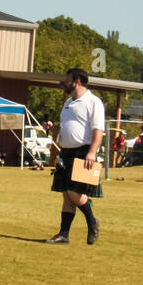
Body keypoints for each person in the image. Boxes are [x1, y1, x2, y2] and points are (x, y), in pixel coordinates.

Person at [46, 68, 104, 245]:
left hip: (83, 152)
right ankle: (64, 235)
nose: (65, 83)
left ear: (77, 81)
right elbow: (65, 129)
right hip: (66, 152)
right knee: (66, 193)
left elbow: (98, 131)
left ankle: (92, 221)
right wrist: (53, 128)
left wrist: (92, 152)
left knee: (74, 192)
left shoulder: (93, 102)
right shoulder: (68, 103)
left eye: (68, 80)